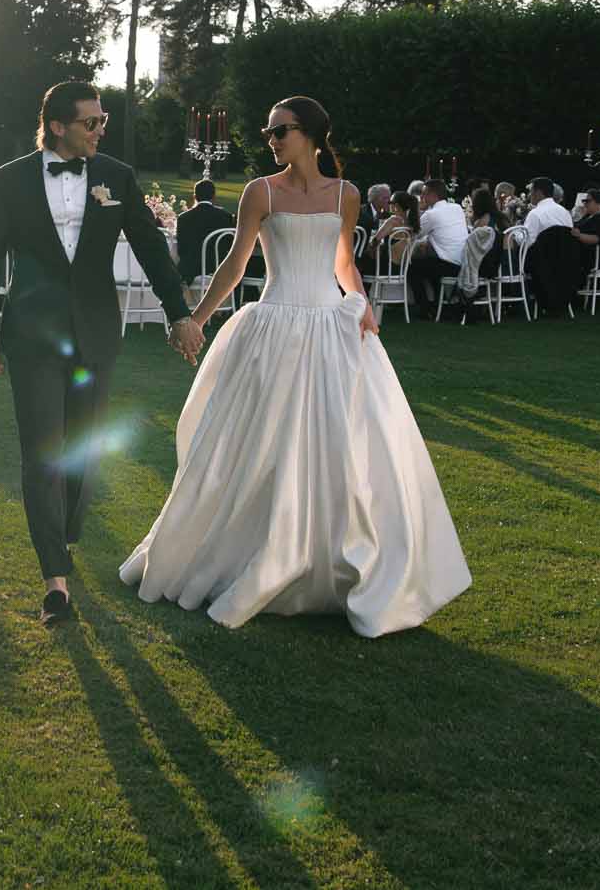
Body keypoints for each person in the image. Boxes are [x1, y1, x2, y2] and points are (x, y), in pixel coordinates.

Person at [120, 95, 470, 634]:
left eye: (279, 131)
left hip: (332, 326)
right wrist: (195, 317)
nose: (272, 141)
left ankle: (330, 561)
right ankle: (257, 554)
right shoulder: (261, 191)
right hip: (274, 327)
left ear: (308, 133)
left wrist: (362, 301)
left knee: (342, 446)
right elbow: (237, 264)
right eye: (268, 133)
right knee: (260, 445)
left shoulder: (346, 195)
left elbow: (344, 261)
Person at [0, 81, 198, 627]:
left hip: (95, 333)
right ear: (57, 126)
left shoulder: (116, 177)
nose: (102, 130)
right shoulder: (11, 179)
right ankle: (55, 581)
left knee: (83, 451)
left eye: (103, 121)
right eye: (91, 122)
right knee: (41, 454)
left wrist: (178, 313)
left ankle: (65, 532)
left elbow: (149, 246)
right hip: (32, 335)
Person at [409, 179, 467, 317]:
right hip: (463, 261)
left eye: (424, 194)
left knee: (411, 268)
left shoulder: (431, 214)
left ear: (433, 195)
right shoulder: (457, 207)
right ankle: (436, 304)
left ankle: (424, 308)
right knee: (430, 263)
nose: (421, 197)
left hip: (448, 264)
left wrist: (418, 210)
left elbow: (413, 234)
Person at [174, 179, 235, 284]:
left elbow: (181, 250)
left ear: (195, 196)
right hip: (217, 267)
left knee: (176, 271)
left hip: (190, 269)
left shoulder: (183, 218)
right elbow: (229, 245)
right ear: (214, 197)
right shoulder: (225, 216)